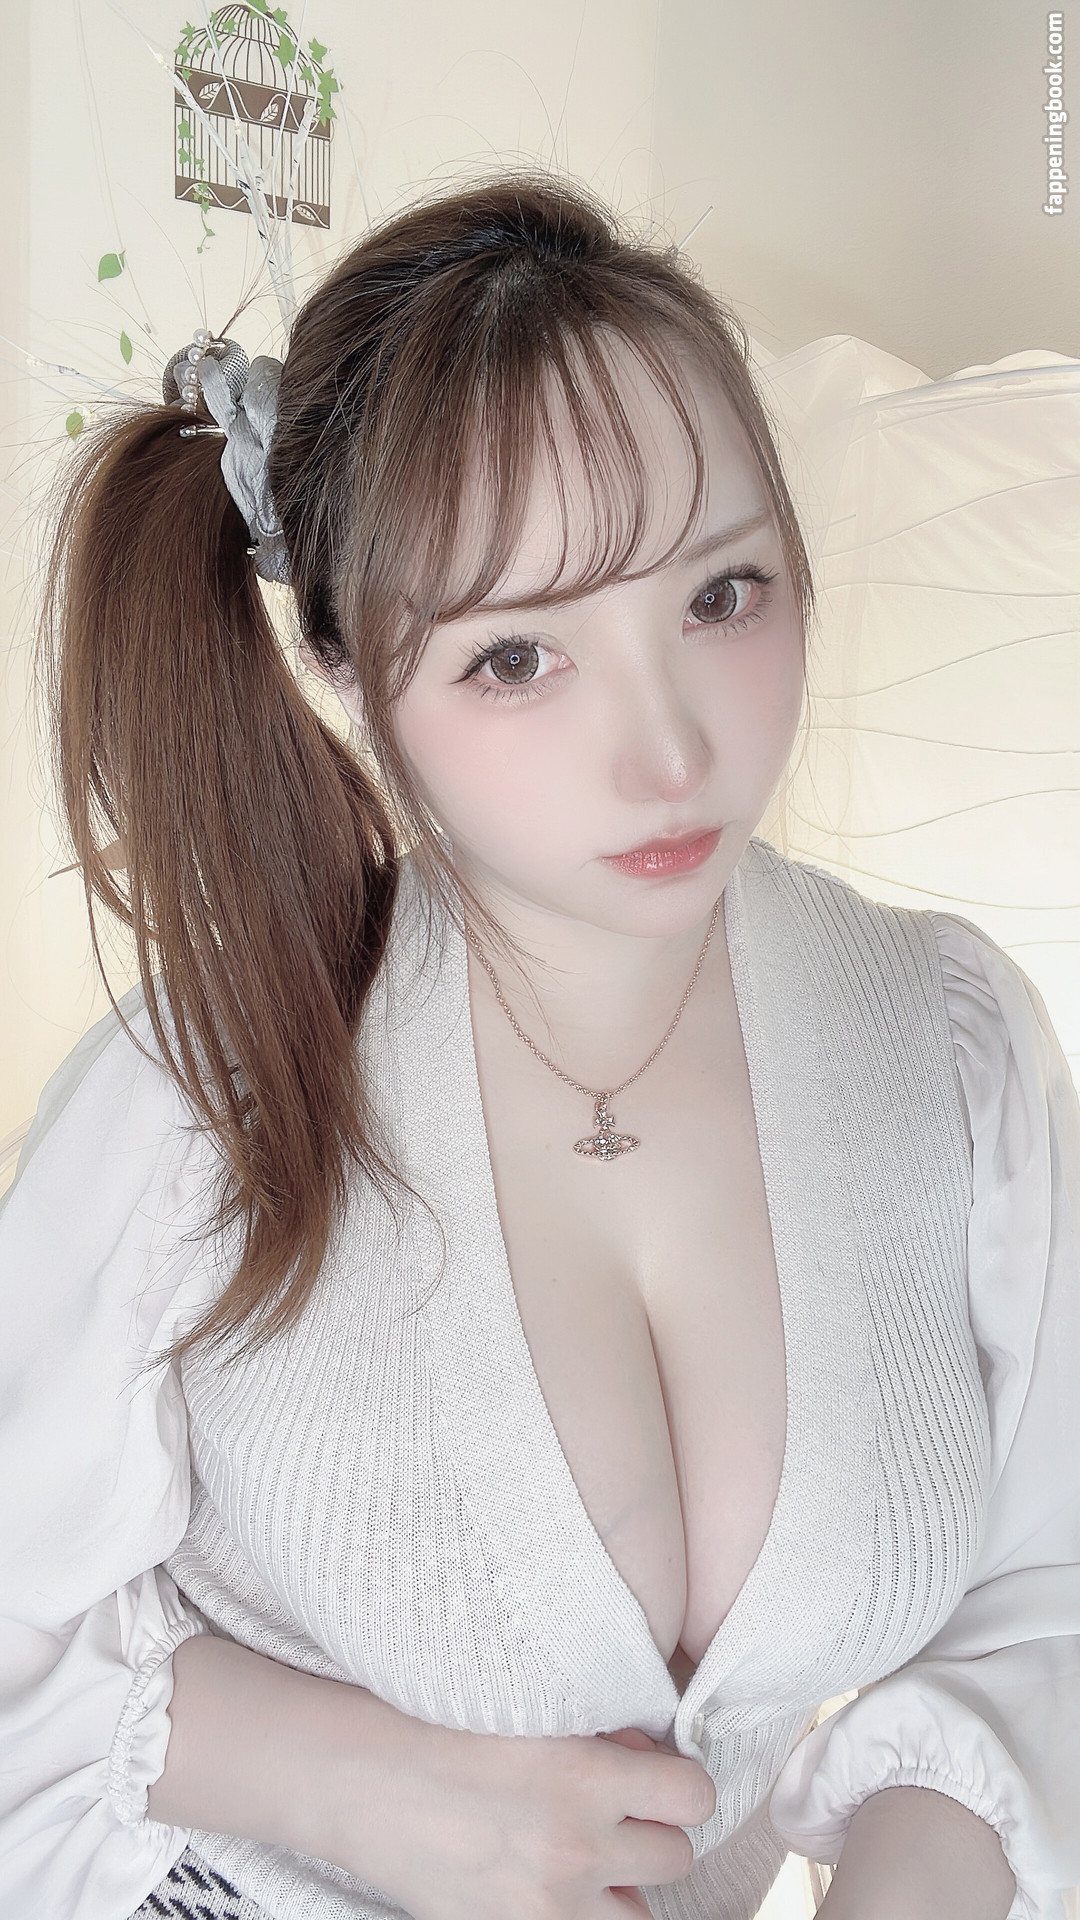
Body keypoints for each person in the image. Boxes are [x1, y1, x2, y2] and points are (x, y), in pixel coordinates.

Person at [1, 171, 1077, 1920]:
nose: (670, 753)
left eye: (723, 595)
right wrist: (363, 1789)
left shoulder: (953, 1049)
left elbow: (1040, 1598)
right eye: (515, 659)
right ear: (349, 670)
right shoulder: (216, 1084)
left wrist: (912, 1876)